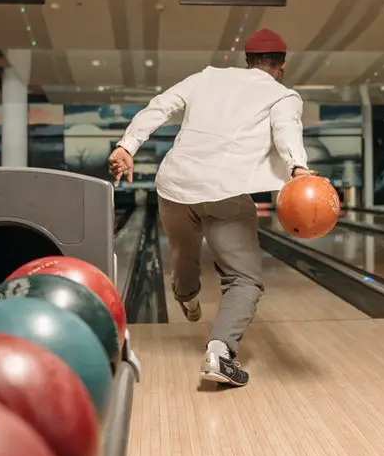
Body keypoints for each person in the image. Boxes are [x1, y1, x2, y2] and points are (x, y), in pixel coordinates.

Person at [107, 28, 315, 387]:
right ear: (281, 66)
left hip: (174, 186)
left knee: (183, 254)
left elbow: (161, 106)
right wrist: (299, 169)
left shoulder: (206, 77)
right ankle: (220, 353)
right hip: (226, 191)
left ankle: (186, 297)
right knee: (245, 278)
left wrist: (127, 146)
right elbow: (286, 133)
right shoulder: (283, 95)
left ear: (247, 61)